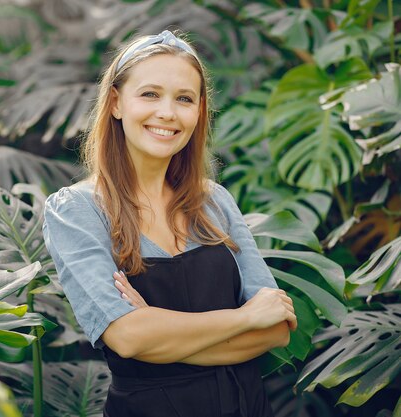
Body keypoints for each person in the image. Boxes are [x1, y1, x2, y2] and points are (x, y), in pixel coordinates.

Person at [42, 29, 297, 417]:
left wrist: (157, 334)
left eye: (184, 99)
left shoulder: (216, 201)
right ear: (115, 103)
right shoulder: (76, 210)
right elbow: (127, 337)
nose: (167, 113)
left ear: (199, 111)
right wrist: (244, 319)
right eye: (150, 94)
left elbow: (276, 328)